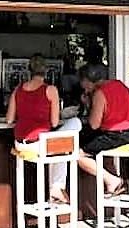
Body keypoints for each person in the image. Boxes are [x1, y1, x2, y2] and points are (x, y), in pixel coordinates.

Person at [6, 55, 81, 204]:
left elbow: (9, 119)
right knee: (74, 124)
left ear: (29, 70)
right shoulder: (50, 90)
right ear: (46, 71)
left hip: (20, 144)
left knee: (60, 147)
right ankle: (56, 188)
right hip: (39, 145)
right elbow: (54, 122)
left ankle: (56, 188)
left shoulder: (18, 89)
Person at [76, 64, 129, 197]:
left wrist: (87, 104)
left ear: (87, 80)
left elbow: (94, 124)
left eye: (83, 83)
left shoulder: (99, 93)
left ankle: (112, 180)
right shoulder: (120, 85)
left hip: (114, 136)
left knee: (76, 154)